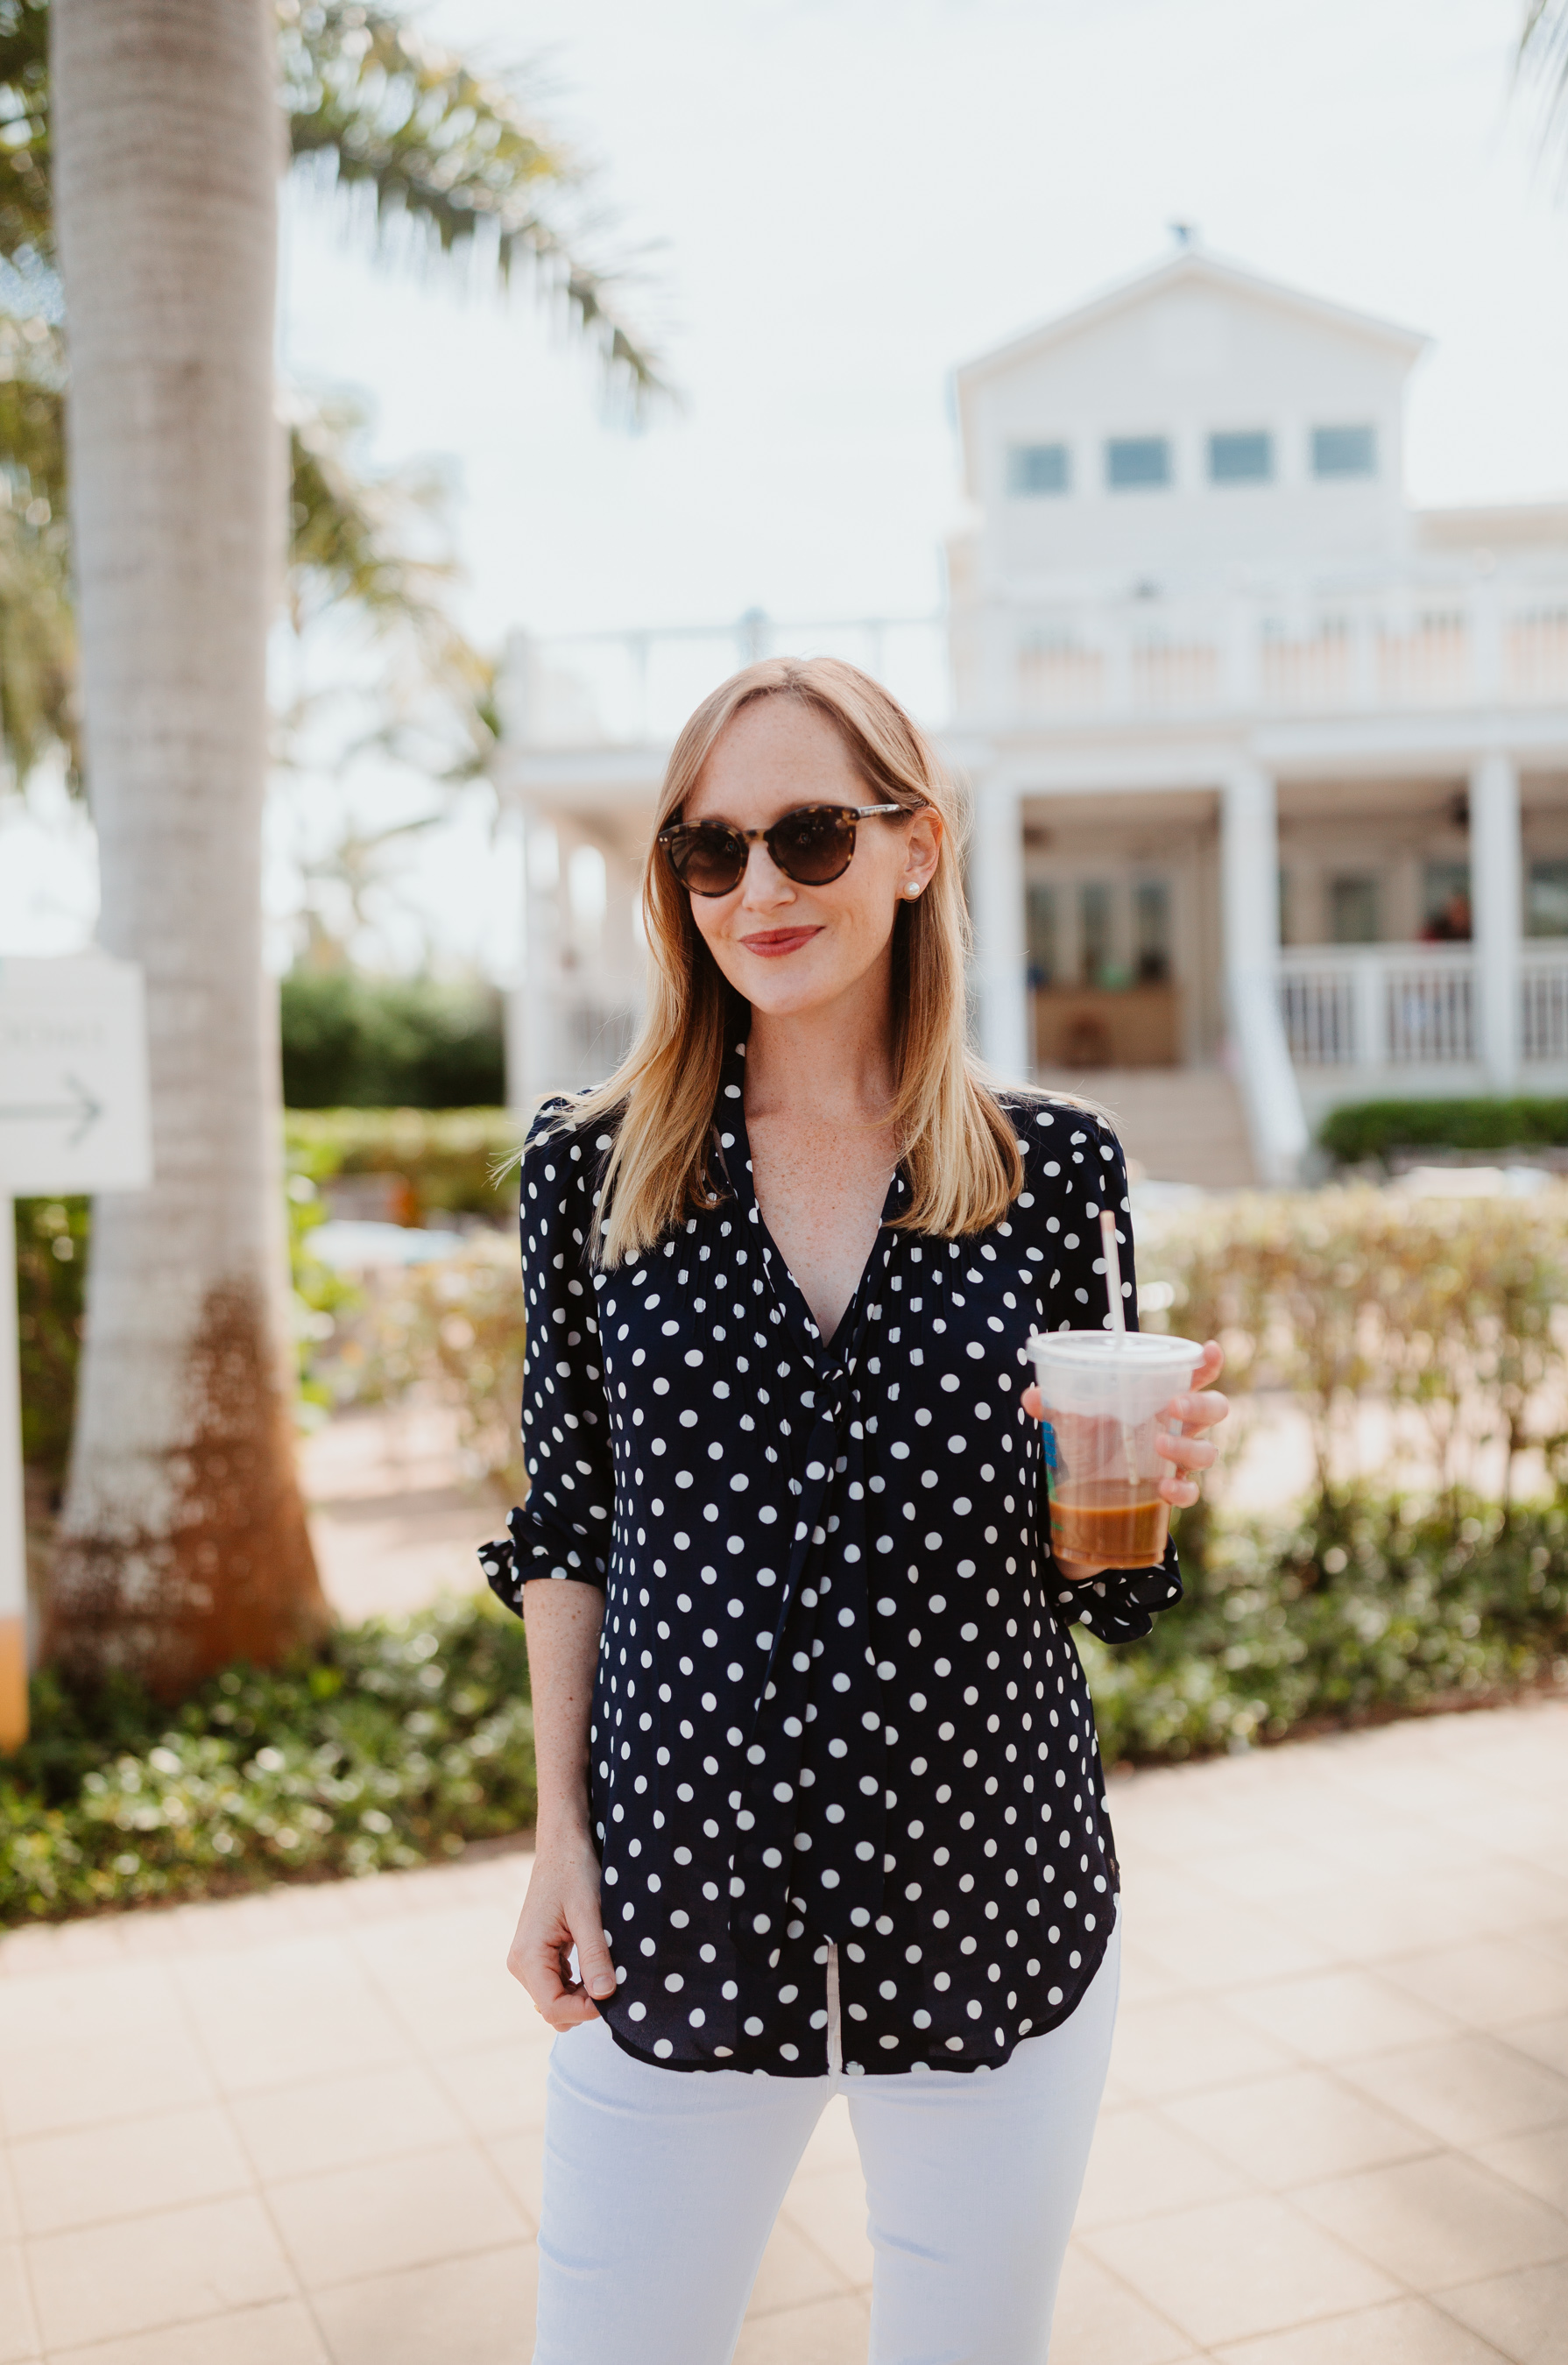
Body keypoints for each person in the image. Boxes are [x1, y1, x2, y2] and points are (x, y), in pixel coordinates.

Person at [480, 657, 1227, 2365]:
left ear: (915, 848)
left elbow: (1104, 1595)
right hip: (675, 1898)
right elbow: (570, 1526)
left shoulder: (1063, 1172)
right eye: (709, 849)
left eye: (810, 837)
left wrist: (1138, 1498)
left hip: (992, 1893)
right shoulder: (584, 1171)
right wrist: (557, 1835)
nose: (759, 891)